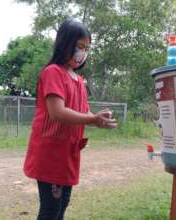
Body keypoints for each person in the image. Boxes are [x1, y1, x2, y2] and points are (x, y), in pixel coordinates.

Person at [23, 19, 117, 220]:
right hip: (51, 155)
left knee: (62, 205)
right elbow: (57, 112)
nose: (83, 52)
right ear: (65, 43)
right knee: (50, 210)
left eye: (87, 48)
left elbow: (84, 111)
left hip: (67, 154)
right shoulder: (53, 72)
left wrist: (98, 118)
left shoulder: (79, 80)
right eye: (79, 46)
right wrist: (92, 120)